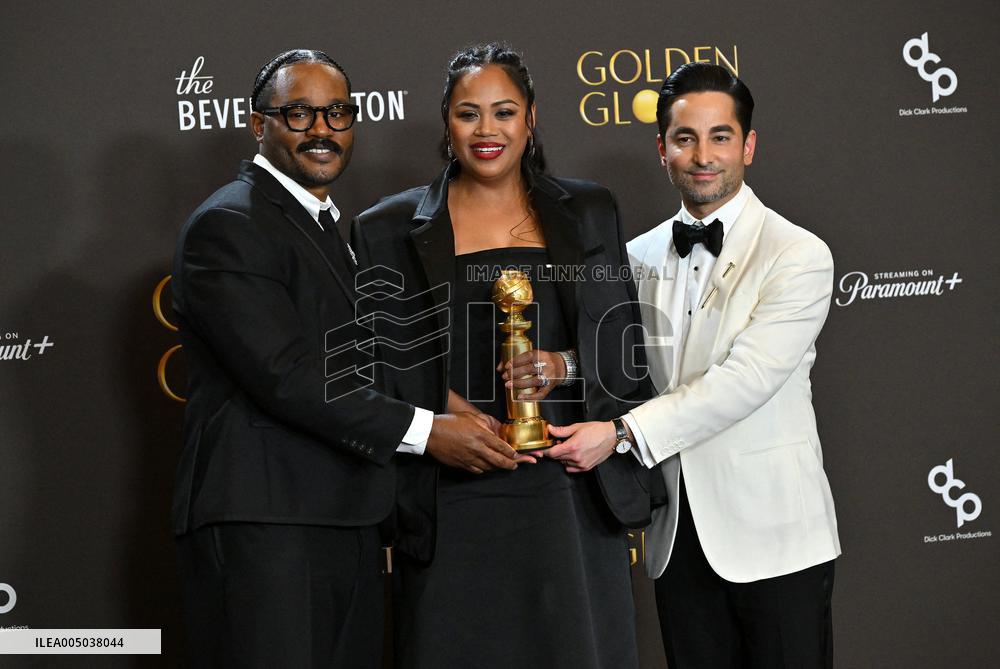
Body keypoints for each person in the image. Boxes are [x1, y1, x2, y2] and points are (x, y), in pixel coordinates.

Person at [170, 48, 520, 669]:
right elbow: (287, 375)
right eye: (299, 113)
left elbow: (358, 357)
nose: (322, 129)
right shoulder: (230, 222)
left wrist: (438, 401)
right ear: (258, 124)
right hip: (267, 523)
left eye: (337, 113)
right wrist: (426, 430)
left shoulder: (329, 225)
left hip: (347, 517)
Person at [352, 42, 651, 669]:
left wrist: (560, 366)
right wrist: (448, 413)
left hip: (567, 489)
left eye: (504, 112)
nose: (486, 131)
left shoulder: (588, 210)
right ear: (446, 122)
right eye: (469, 114)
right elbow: (377, 362)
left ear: (532, 119)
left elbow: (621, 346)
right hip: (450, 493)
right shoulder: (387, 226)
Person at [547, 62, 841, 668]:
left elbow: (745, 382)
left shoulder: (799, 254)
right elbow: (621, 357)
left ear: (748, 145)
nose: (703, 155)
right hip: (676, 535)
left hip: (777, 539)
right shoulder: (636, 254)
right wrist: (561, 367)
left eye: (720, 136)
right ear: (662, 149)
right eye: (685, 138)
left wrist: (623, 433)